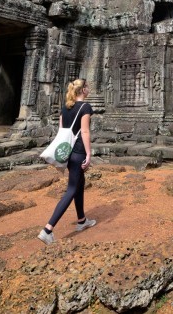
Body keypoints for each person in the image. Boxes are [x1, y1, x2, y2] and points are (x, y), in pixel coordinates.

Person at [39, 78, 96, 245]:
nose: (89, 89)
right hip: (78, 151)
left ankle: (82, 220)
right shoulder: (85, 107)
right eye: (87, 87)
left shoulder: (66, 107)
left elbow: (61, 131)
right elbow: (85, 132)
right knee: (72, 188)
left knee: (79, 183)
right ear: (83, 90)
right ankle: (47, 229)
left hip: (67, 150)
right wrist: (88, 153)